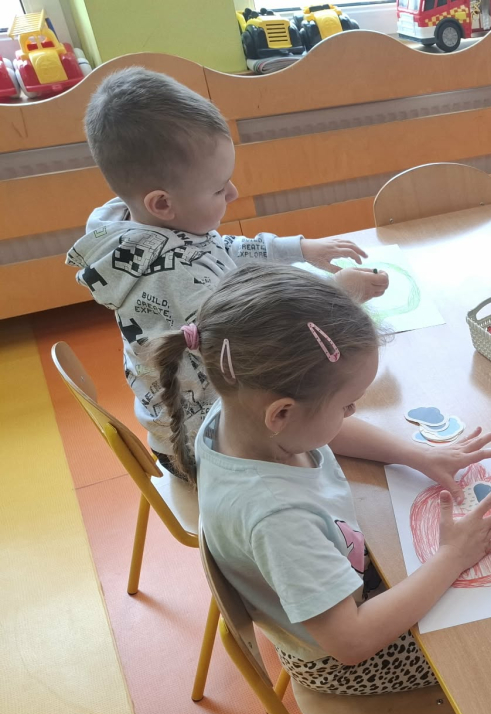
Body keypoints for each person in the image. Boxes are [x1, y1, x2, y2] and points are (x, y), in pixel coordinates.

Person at [149, 263, 491, 714]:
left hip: (338, 590)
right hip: (346, 659)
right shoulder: (276, 517)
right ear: (282, 413)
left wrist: (417, 454)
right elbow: (349, 642)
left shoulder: (240, 419)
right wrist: (453, 556)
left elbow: (328, 433)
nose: (353, 412)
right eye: (348, 402)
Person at [67, 67, 388, 479]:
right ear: (162, 203)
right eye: (219, 189)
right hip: (204, 447)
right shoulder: (173, 278)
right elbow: (266, 338)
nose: (233, 193)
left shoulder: (146, 224)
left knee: (331, 405)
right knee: (326, 412)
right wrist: (338, 295)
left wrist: (300, 249)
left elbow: (221, 248)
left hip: (200, 417)